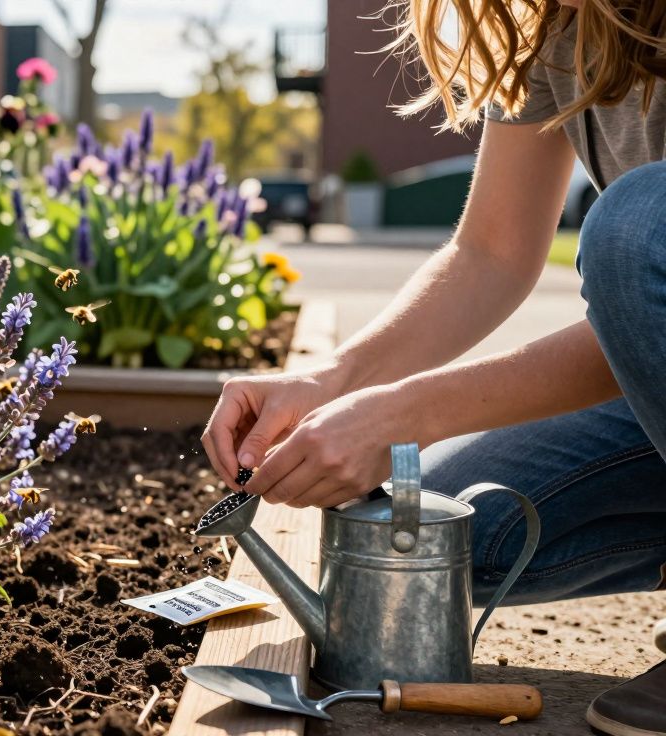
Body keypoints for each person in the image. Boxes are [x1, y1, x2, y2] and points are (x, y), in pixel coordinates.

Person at [201, 1, 666, 733]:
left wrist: (405, 414)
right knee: (442, 547)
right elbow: (491, 252)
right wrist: (333, 379)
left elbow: (651, 277)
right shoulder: (562, 27)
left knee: (638, 226)